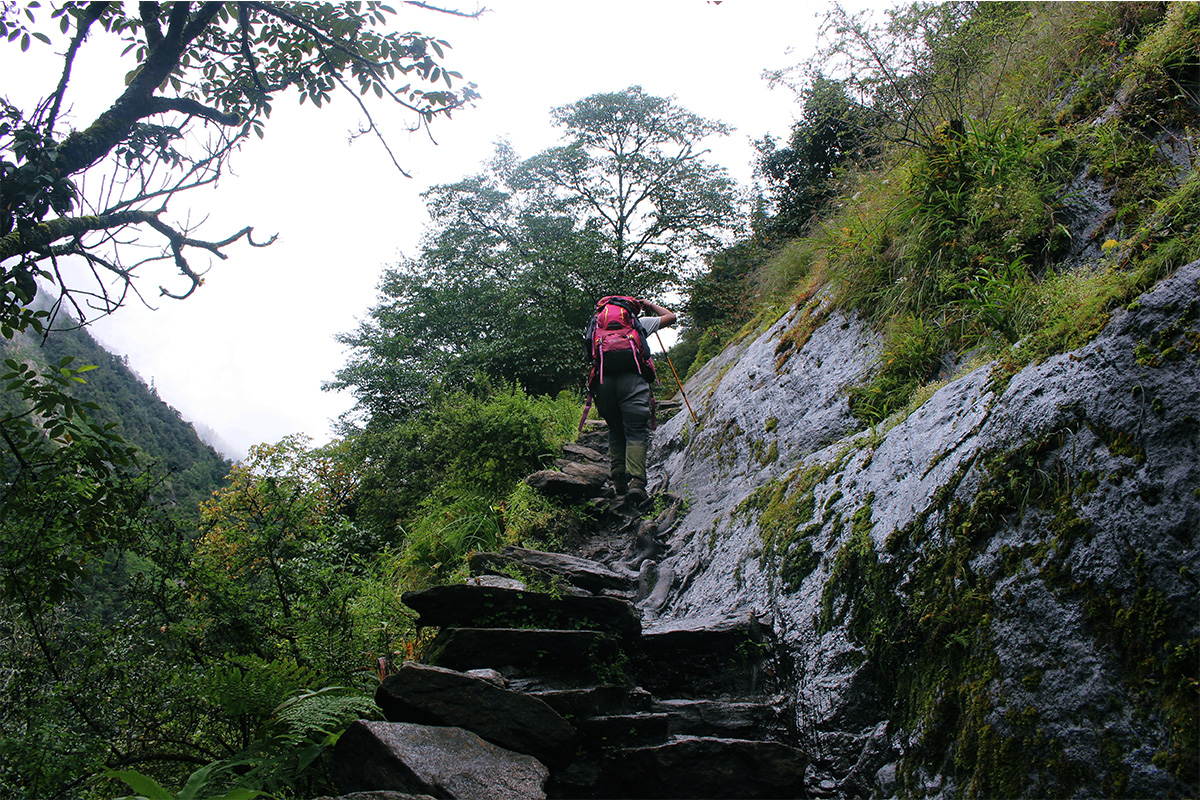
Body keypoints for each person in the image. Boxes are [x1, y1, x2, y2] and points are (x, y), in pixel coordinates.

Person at [591, 297, 676, 505]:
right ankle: (637, 483)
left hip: (604, 382)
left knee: (615, 428)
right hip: (633, 379)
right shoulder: (638, 324)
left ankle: (619, 480)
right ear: (630, 310)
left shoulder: (595, 325)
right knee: (635, 430)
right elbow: (671, 317)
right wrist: (649, 305)